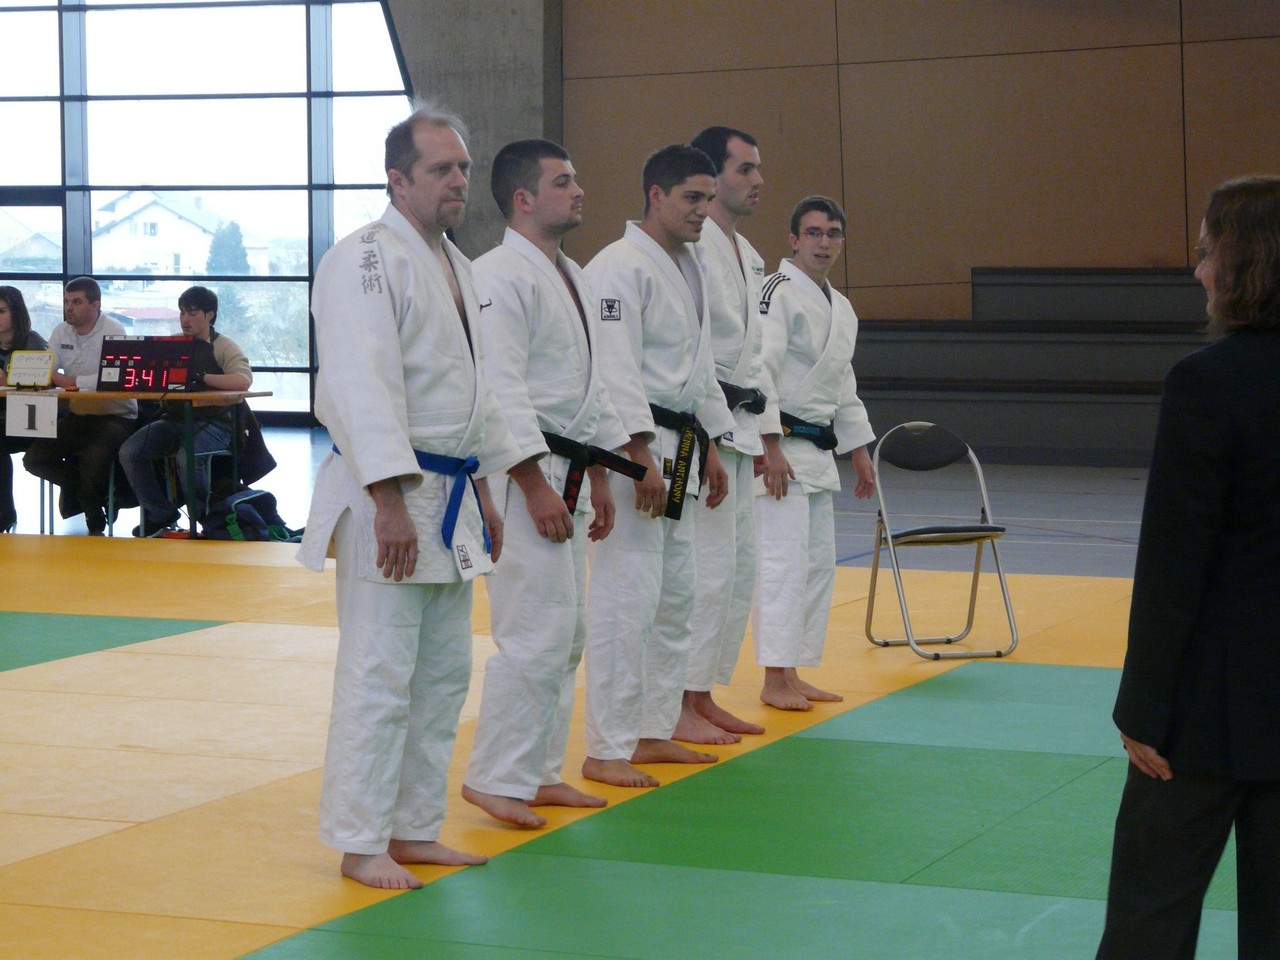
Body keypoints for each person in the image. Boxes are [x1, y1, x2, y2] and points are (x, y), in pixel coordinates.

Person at [296, 104, 521, 890]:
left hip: (452, 495)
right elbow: (358, 385)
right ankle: (360, 841)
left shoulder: (458, 264)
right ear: (398, 180)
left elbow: (480, 392)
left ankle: (413, 827)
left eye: (463, 168)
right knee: (379, 673)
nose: (458, 181)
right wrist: (387, 499)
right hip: (388, 494)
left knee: (441, 675)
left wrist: (488, 489)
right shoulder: (362, 259)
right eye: (441, 169)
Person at [1095, 175, 1280, 960]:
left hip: (1204, 713)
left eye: (1207, 252)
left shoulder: (1206, 383)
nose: (1199, 271)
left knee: (1151, 920)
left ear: (1244, 263)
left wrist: (1141, 709)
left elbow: (1175, 564)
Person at [462, 139, 639, 828]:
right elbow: (501, 391)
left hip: (567, 469)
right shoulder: (498, 275)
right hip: (522, 479)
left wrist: (598, 473)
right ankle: (493, 777)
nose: (579, 190)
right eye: (563, 182)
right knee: (532, 631)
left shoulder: (572, 274)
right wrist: (533, 484)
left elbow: (585, 390)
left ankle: (536, 772)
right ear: (524, 198)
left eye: (576, 179)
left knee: (567, 633)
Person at [580, 144, 735, 788]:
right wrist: (636, 451)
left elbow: (699, 369)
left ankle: (651, 729)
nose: (703, 211)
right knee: (628, 599)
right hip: (638, 453)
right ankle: (605, 746)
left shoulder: (691, 264)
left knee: (675, 595)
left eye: (708, 199)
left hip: (683, 446)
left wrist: (714, 442)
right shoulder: (619, 267)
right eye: (691, 198)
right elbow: (612, 367)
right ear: (655, 195)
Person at [674, 125, 791, 745]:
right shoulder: (690, 253)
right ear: (711, 176)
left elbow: (758, 359)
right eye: (745, 169)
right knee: (702, 570)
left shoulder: (745, 254)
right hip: (702, 432)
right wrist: (711, 435)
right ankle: (677, 699)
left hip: (743, 428)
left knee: (736, 571)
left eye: (757, 168)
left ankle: (703, 693)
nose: (758, 180)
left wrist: (769, 436)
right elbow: (693, 357)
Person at [754, 195, 875, 710]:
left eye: (833, 234)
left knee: (816, 566)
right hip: (780, 448)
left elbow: (842, 383)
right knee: (782, 565)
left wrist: (859, 450)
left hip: (819, 453)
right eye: (814, 233)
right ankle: (772, 678)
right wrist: (769, 444)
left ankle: (793, 671)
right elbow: (759, 369)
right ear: (793, 239)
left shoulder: (840, 306)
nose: (824, 242)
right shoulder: (775, 292)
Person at [116, 286, 252, 536]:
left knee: (185, 457)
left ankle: (204, 518)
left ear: (210, 315)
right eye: (182, 313)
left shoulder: (224, 346)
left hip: (215, 424)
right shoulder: (174, 344)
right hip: (174, 420)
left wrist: (203, 377)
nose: (185, 319)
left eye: (192, 313)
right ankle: (160, 512)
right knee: (130, 451)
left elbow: (243, 381)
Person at [24, 277, 137, 535]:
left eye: (76, 302)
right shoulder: (60, 331)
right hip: (79, 415)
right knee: (34, 460)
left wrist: (69, 381)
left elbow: (113, 378)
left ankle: (94, 518)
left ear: (95, 305)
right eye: (66, 302)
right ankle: (91, 494)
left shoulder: (114, 330)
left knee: (93, 462)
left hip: (116, 416)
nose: (69, 308)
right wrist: (41, 377)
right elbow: (46, 368)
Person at [0, 286, 50, 532]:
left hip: (30, 420)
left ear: (16, 313)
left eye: (1, 311)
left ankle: (4, 514)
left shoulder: (34, 343)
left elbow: (39, 385)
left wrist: (7, 380)